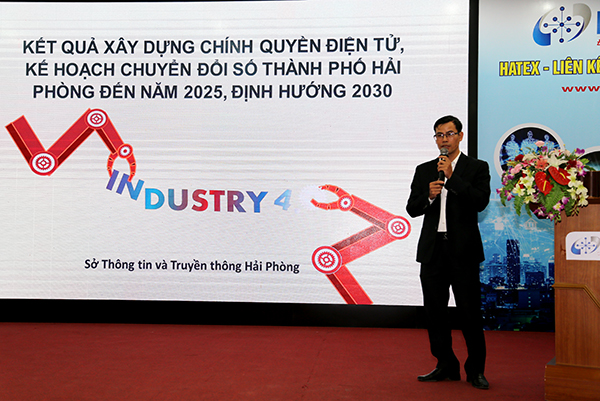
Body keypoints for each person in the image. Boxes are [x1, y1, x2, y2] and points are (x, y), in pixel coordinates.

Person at [406, 115, 491, 390]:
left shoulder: (477, 167)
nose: (444, 139)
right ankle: (445, 364)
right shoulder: (424, 170)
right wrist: (429, 196)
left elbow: (480, 201)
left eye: (449, 133)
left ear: (460, 136)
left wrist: (453, 178)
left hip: (463, 252)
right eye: (439, 135)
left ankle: (476, 370)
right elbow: (412, 208)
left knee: (469, 313)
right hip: (433, 252)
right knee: (435, 314)